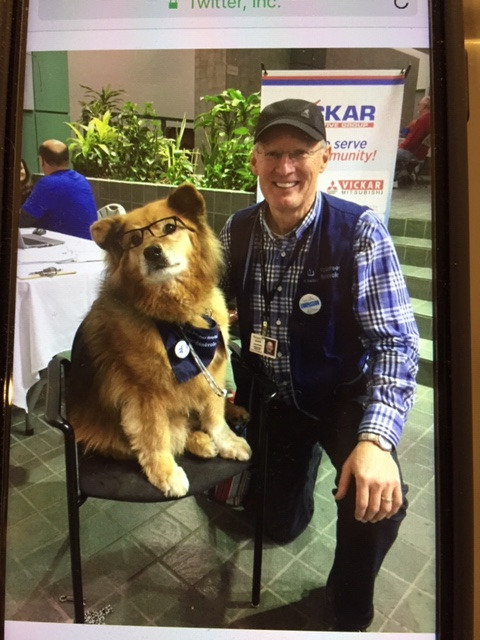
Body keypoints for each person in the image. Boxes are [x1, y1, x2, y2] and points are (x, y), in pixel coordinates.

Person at [219, 99, 419, 632]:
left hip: (339, 394)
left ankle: (346, 603)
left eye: (300, 153)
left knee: (377, 500)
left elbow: (397, 345)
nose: (286, 168)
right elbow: (201, 313)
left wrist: (376, 443)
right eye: (272, 154)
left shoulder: (359, 231)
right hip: (270, 395)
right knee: (277, 525)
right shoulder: (236, 232)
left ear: (324, 157)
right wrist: (212, 378)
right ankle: (289, 481)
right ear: (256, 161)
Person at [21, 139, 98, 239]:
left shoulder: (47, 184)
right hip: (87, 245)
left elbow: (22, 221)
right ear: (67, 160)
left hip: (65, 247)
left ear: (41, 160)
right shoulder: (81, 180)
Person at [395, 95, 431, 185]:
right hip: (421, 154)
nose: (418, 106)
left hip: (412, 152)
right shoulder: (429, 119)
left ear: (424, 106)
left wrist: (401, 146)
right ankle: (403, 174)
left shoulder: (423, 120)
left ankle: (395, 177)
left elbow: (412, 141)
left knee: (389, 155)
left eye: (419, 104)